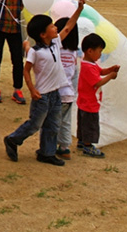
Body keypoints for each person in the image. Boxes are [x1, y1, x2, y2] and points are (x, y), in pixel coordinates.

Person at [3, 0, 85, 167]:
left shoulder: (56, 42)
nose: (57, 28)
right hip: (42, 95)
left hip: (56, 92)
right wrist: (32, 89)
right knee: (35, 124)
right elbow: (26, 70)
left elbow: (69, 26)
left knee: (53, 124)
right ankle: (12, 139)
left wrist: (79, 9)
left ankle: (46, 153)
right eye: (52, 26)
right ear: (43, 34)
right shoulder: (35, 51)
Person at [77, 33, 120, 158]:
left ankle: (82, 141)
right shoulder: (88, 67)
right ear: (90, 51)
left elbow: (100, 71)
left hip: (84, 101)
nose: (100, 54)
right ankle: (88, 146)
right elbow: (98, 82)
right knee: (90, 124)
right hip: (90, 102)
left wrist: (109, 70)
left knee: (83, 122)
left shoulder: (89, 63)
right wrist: (111, 76)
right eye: (99, 51)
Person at [53, 17, 80, 161]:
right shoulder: (74, 53)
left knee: (52, 122)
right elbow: (75, 75)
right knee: (66, 121)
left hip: (56, 93)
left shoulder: (56, 49)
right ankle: (64, 148)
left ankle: (49, 147)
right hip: (68, 94)